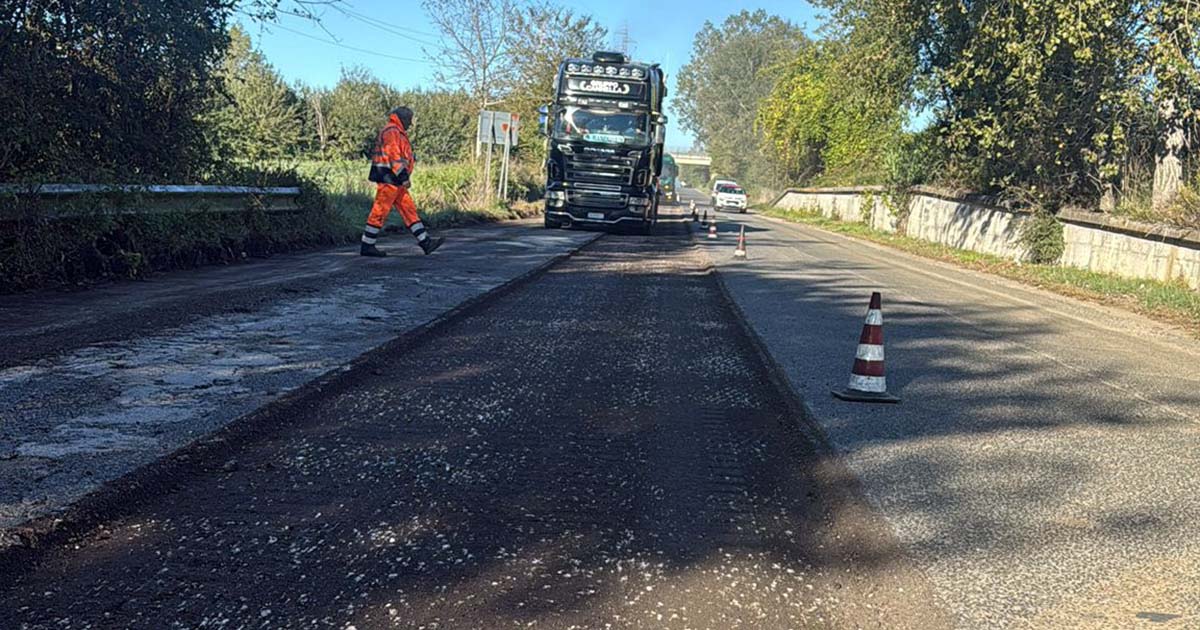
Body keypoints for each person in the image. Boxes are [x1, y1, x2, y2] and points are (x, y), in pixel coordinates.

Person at [361, 106, 444, 257]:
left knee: (409, 209)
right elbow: (394, 157)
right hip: (389, 178)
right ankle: (367, 245)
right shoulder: (392, 131)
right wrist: (404, 177)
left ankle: (425, 242)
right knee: (380, 211)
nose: (411, 124)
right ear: (403, 118)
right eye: (410, 120)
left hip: (394, 179)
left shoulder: (396, 131)